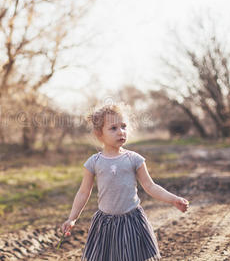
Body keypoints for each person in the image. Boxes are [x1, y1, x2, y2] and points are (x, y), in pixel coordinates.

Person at [61, 104, 189, 261]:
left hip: (132, 221)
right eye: (113, 128)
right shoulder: (94, 162)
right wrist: (72, 218)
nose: (121, 131)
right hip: (105, 224)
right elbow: (83, 192)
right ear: (99, 134)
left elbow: (150, 186)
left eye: (123, 126)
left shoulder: (134, 159)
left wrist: (173, 199)